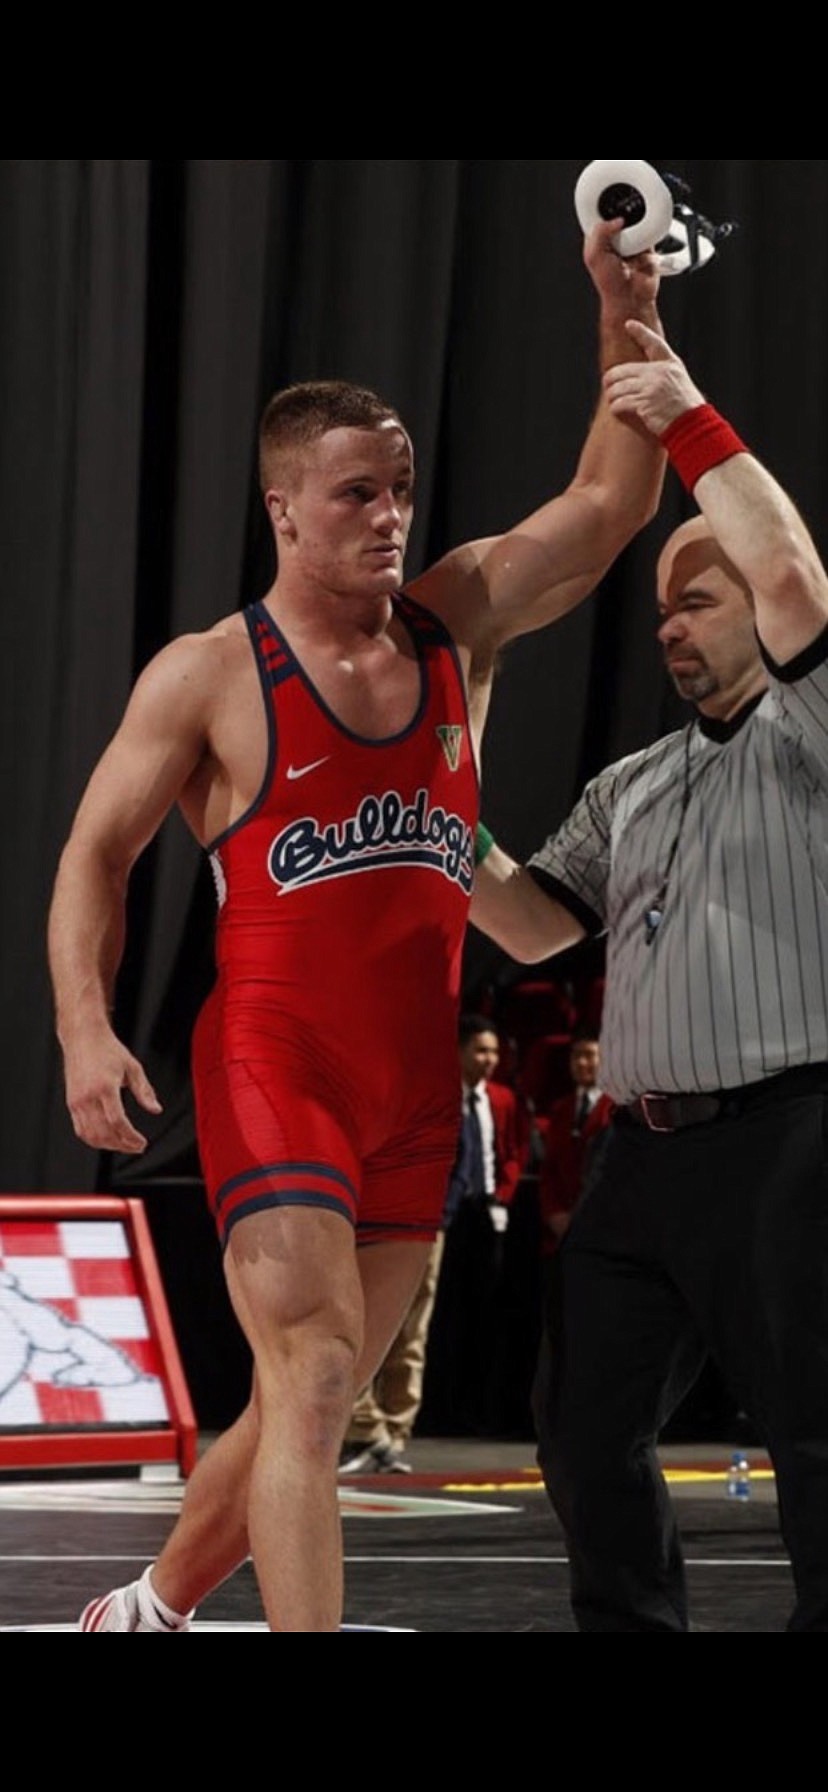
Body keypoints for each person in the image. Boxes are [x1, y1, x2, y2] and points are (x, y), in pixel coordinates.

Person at [46, 216, 666, 1634]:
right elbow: (94, 855)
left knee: (294, 1407)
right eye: (353, 497)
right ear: (280, 506)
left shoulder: (457, 623)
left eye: (397, 489)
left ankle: (148, 1606)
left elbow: (612, 499)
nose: (388, 515)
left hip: (410, 1088)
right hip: (279, 1067)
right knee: (318, 1380)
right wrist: (85, 1029)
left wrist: (620, 299)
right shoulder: (211, 672)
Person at [469, 315, 828, 1631]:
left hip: (792, 1139)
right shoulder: (636, 781)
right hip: (641, 1161)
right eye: (661, 602)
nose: (670, 623)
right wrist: (435, 801)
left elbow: (792, 566)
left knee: (817, 1443)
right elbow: (527, 925)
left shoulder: (815, 730)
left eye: (699, 593)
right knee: (580, 1432)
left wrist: (682, 412)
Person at [420, 1012, 526, 1437]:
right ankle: (434, 1410)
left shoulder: (502, 1098)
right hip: (444, 1213)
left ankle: (477, 1409)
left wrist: (503, 1192)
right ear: (461, 1051)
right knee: (438, 1314)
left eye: (495, 1051)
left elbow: (514, 1151)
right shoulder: (441, 1095)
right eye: (481, 1050)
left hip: (486, 1214)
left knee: (484, 1314)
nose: (489, 1059)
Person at [338, 1235, 445, 1473]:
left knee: (410, 1336)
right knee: (351, 1331)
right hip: (367, 1221)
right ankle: (366, 1428)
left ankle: (391, 1436)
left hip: (426, 1222)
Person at [534, 1027, 614, 1286]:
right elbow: (549, 1170)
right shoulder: (561, 1109)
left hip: (603, 1228)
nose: (582, 1063)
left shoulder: (618, 1108)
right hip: (562, 1231)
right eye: (576, 1056)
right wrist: (555, 1213)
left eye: (590, 1055)